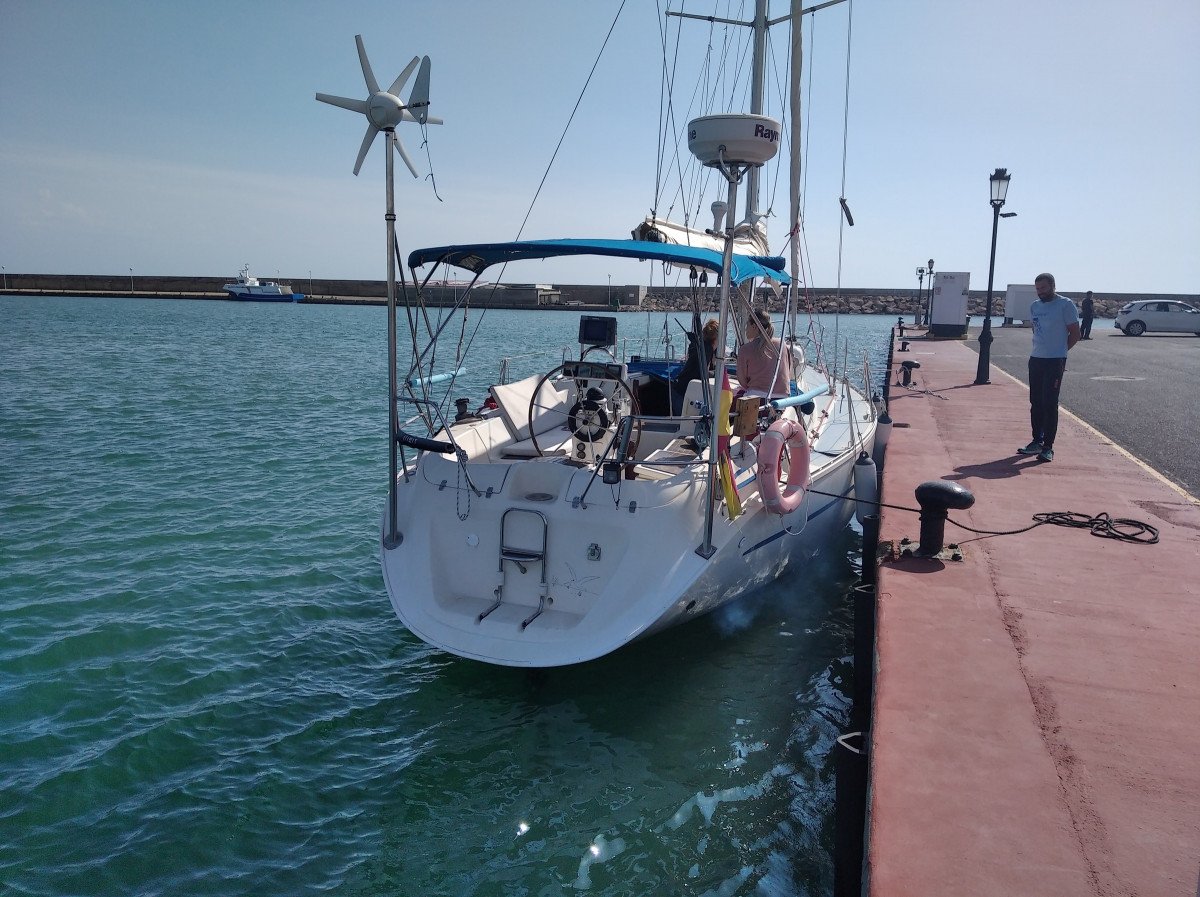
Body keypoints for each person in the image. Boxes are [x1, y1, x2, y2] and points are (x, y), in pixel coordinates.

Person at [1016, 273, 1080, 462]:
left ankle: (1048, 447)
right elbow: (1036, 329)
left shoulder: (1065, 305)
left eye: (1043, 288)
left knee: (1049, 403)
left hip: (1055, 360)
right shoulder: (1035, 306)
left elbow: (1075, 333)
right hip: (1036, 359)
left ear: (1052, 286)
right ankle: (1036, 440)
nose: (1040, 292)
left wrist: (1060, 351)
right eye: (1037, 289)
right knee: (1035, 402)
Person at [736, 308, 791, 398]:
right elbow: (788, 371)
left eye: (747, 325)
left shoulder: (745, 349)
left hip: (756, 398)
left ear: (754, 326)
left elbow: (743, 382)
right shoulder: (782, 345)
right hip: (782, 399)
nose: (745, 329)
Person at [672, 318, 718, 415]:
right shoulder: (706, 349)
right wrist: (718, 374)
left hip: (680, 390)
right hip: (683, 394)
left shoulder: (701, 346)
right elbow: (702, 372)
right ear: (717, 338)